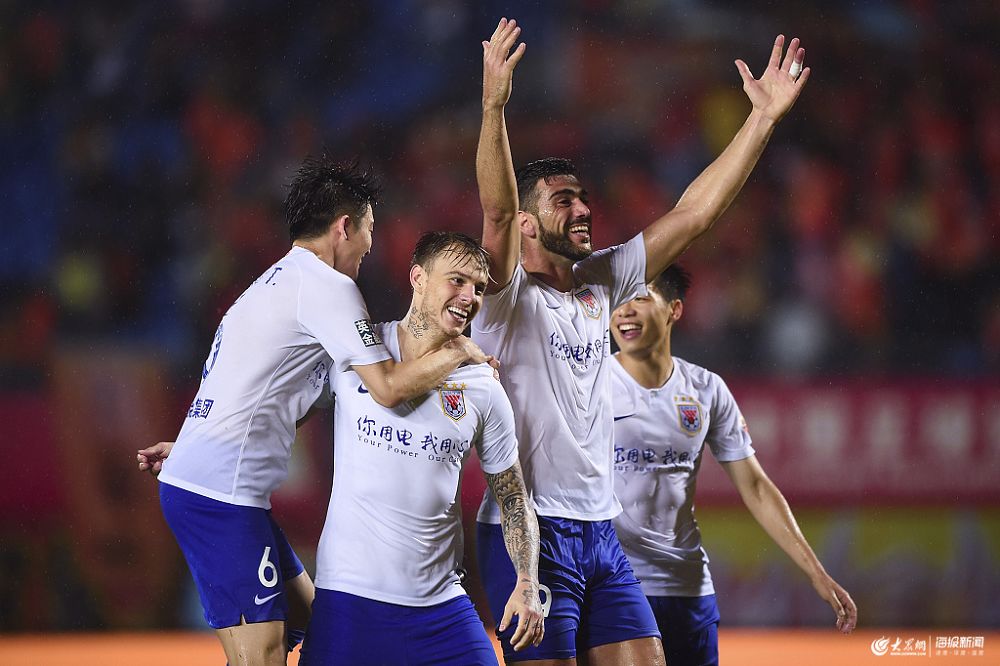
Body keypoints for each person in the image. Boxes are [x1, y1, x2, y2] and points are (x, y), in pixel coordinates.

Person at [473, 17, 811, 665]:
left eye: (583, 198)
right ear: (526, 224)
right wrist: (493, 108)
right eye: (563, 202)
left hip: (602, 533)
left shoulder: (601, 280)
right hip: (528, 533)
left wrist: (761, 121)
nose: (583, 210)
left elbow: (694, 214)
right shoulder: (502, 294)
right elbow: (494, 210)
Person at [136, 158, 494, 666]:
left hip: (212, 482)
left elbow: (269, 391)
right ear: (344, 227)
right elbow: (388, 388)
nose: (369, 248)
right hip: (222, 496)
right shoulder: (330, 287)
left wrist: (192, 446)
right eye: (368, 232)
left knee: (316, 620)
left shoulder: (274, 282)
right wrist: (457, 350)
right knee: (262, 655)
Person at [298, 231, 544, 665]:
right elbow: (280, 412)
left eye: (479, 288)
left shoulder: (483, 387)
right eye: (457, 280)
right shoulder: (357, 354)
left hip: (440, 610)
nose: (469, 297)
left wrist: (527, 581)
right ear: (418, 278)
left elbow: (513, 498)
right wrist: (196, 444)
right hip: (349, 604)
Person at [609, 265, 858, 665]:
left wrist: (815, 571)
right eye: (617, 300)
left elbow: (755, 486)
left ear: (674, 310)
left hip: (688, 587)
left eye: (639, 298)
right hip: (614, 586)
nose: (624, 311)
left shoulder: (706, 390)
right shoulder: (589, 384)